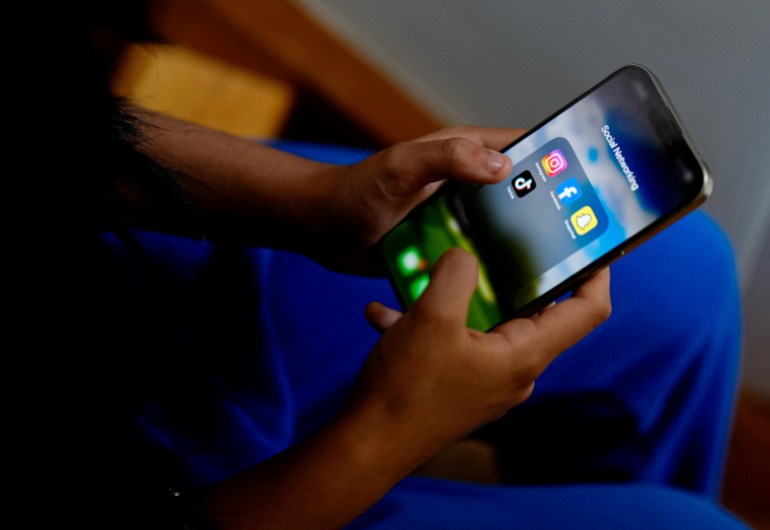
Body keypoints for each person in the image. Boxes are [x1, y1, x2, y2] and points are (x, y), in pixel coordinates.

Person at [18, 1, 747, 528]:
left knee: (690, 271)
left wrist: (314, 202)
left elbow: (71, 129)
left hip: (136, 271)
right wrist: (387, 432)